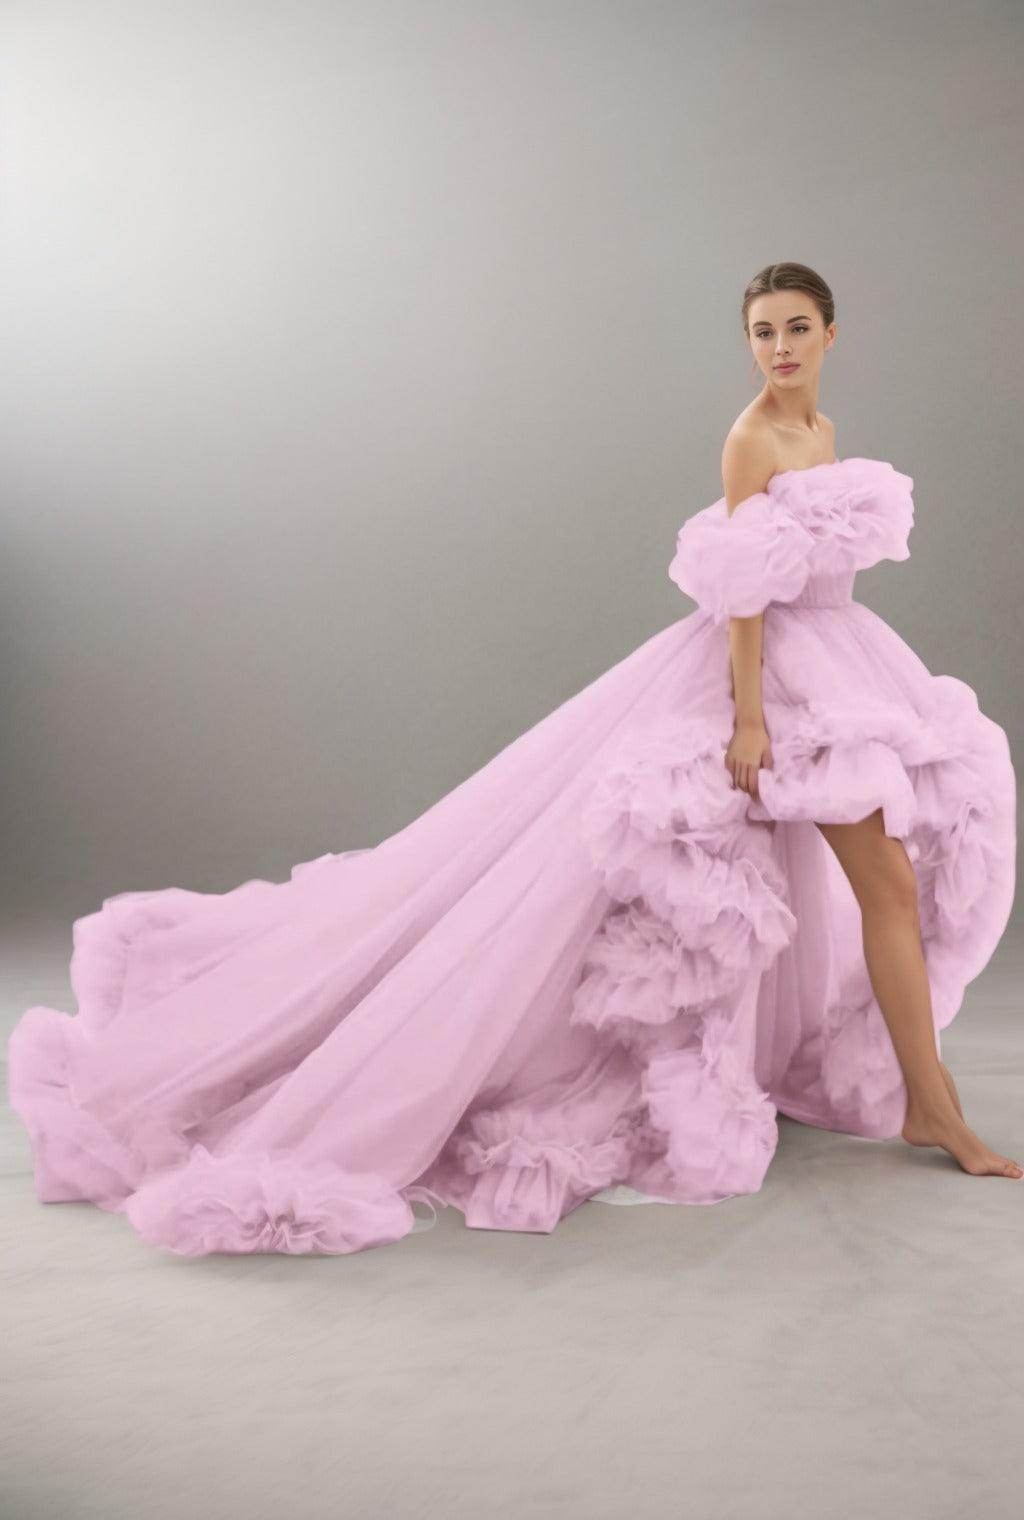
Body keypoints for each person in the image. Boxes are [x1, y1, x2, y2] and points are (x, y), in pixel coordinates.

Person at [7, 261, 1019, 1260]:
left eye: (797, 328)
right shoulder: (750, 437)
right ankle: (930, 1104)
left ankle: (916, 1096)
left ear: (831, 334)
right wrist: (748, 721)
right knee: (866, 885)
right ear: (748, 341)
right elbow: (741, 594)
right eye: (763, 331)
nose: (780, 348)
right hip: (774, 683)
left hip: (843, 667)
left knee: (876, 884)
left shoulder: (821, 431)